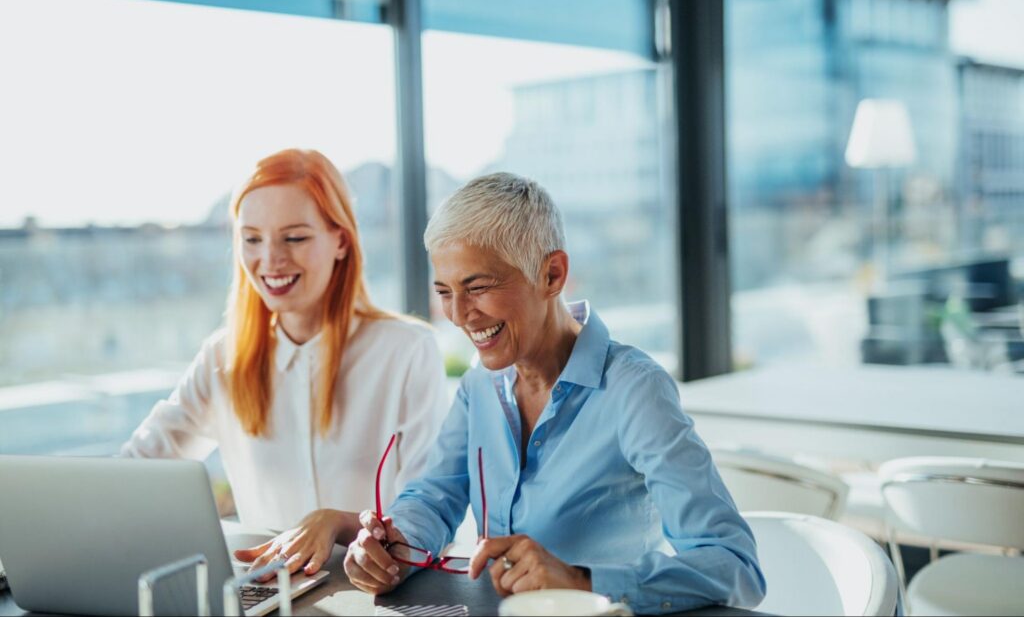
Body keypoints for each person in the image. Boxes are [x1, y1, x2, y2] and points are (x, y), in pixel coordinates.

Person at [343, 173, 765, 614]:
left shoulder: (635, 390)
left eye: (478, 287)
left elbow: (735, 566)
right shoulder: (479, 385)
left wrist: (582, 581)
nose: (459, 315)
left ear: (552, 274)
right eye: (445, 292)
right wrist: (394, 546)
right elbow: (434, 498)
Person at [121, 149, 448, 579]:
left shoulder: (407, 351)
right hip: (269, 592)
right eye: (252, 239)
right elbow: (136, 469)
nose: (271, 259)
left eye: (294, 238)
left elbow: (429, 511)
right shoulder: (222, 356)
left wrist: (338, 523)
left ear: (341, 241)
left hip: (378, 595)